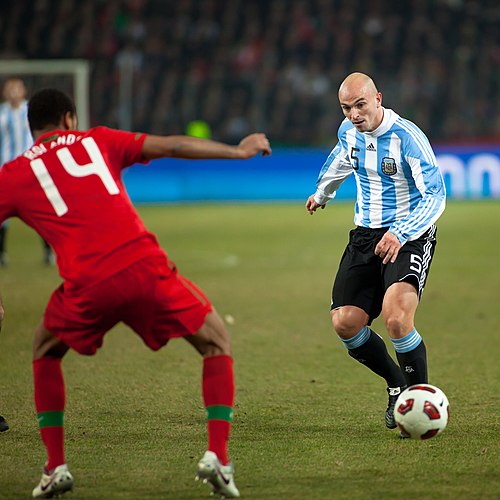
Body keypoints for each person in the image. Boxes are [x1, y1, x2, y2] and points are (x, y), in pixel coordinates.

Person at [0, 88, 271, 498]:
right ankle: (218, 456)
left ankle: (55, 466)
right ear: (71, 119)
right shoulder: (99, 139)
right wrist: (238, 151)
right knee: (216, 340)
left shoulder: (14, 173)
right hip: (143, 266)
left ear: (32, 128)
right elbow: (173, 145)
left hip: (86, 284)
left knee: (43, 349)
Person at [305, 72, 446, 435]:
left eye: (360, 105)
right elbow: (342, 158)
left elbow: (436, 195)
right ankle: (397, 383)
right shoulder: (348, 130)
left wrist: (401, 232)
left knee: (396, 318)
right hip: (365, 236)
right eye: (346, 107)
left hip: (409, 234)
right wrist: (323, 192)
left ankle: (418, 402)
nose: (354, 114)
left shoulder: (408, 138)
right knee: (345, 324)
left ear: (378, 98)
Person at [0, 77, 55, 266]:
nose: (13, 91)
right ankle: (1, 254)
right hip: (5, 169)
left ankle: (49, 252)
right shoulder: (1, 114)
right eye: (10, 88)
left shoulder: (31, 111)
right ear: (4, 92)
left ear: (23, 91)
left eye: (17, 88)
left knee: (42, 209)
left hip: (31, 168)